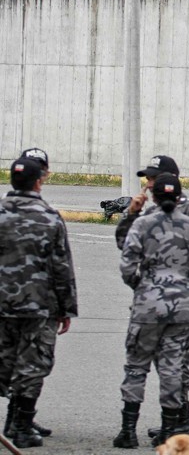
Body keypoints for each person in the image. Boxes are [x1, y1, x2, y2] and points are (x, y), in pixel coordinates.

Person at [113, 174, 189, 449]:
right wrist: (188, 286)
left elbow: (127, 263)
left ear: (155, 196)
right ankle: (170, 431)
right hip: (182, 305)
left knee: (136, 365)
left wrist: (142, 285)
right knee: (172, 367)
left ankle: (127, 430)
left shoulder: (143, 223)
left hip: (147, 303)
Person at [0, 157, 76, 450]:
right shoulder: (49, 216)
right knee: (33, 365)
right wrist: (66, 308)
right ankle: (21, 426)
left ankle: (14, 423)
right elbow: (61, 267)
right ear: (38, 181)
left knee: (3, 361)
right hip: (37, 306)